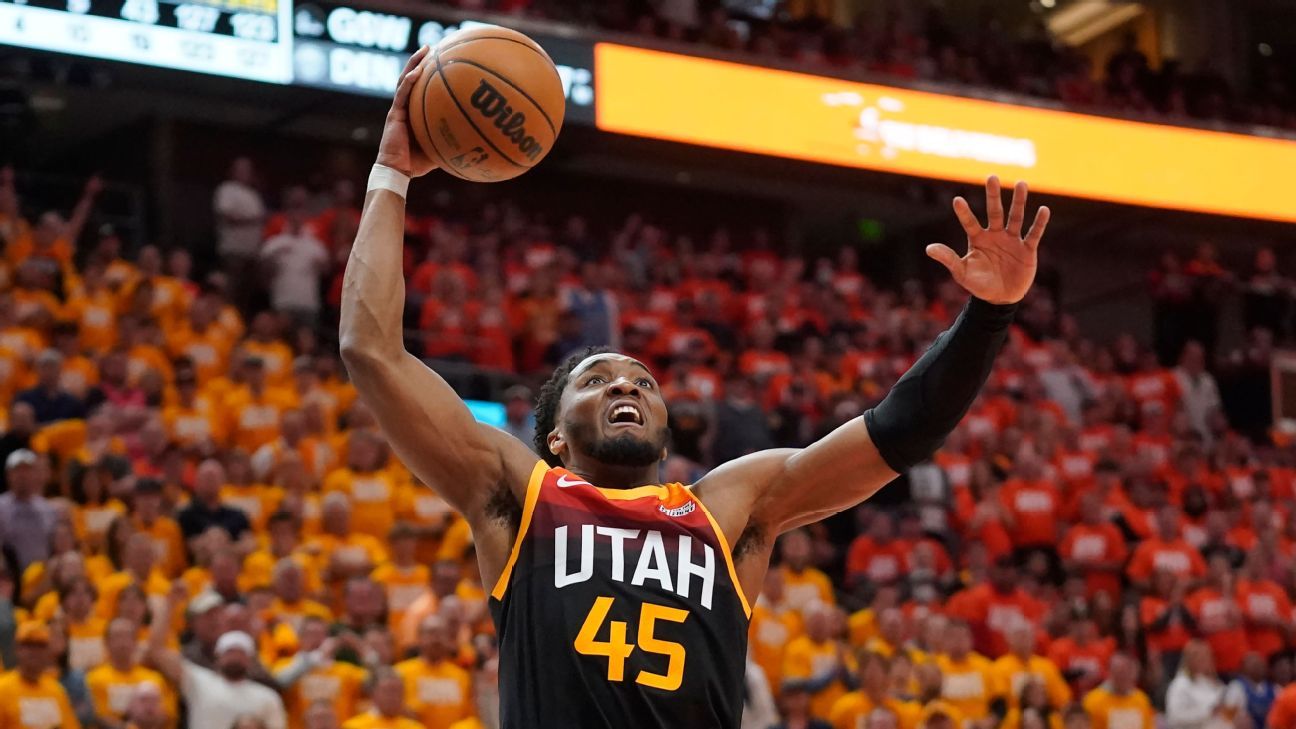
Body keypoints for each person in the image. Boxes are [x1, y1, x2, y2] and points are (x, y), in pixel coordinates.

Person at [338, 46, 1050, 729]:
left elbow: (898, 432)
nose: (628, 384)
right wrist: (390, 173)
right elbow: (370, 349)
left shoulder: (730, 507)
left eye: (643, 379)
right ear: (554, 435)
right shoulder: (522, 495)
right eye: (598, 379)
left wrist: (988, 316)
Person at [146, 582, 286, 729]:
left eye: (240, 652)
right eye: (229, 651)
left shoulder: (267, 697)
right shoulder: (199, 682)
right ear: (218, 656)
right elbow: (157, 650)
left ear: (250, 659)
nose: (234, 657)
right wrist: (169, 606)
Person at [0, 622, 82, 729]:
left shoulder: (56, 691)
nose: (34, 652)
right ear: (17, 649)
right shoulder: (3, 689)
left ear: (48, 651)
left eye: (40, 646)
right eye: (29, 645)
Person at [0, 449, 58, 572]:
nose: (22, 475)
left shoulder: (48, 509)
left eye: (27, 470)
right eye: (17, 470)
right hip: (8, 579)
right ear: (8, 475)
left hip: (41, 577)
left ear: (35, 474)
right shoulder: (1, 508)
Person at [1164, 641, 1232, 729]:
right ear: (1189, 659)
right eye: (1200, 657)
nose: (1206, 661)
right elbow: (1174, 717)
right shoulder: (1180, 684)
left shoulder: (1214, 683)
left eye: (1207, 656)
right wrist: (1208, 712)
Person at [1081, 654, 1154, 729]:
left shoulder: (1142, 700)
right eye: (1120, 672)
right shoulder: (1093, 701)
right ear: (1110, 672)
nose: (1123, 676)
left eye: (1128, 672)